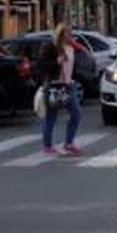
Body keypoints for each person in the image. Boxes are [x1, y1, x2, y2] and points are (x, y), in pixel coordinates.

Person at [38, 23, 84, 156]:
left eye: (71, 33)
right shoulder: (51, 47)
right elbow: (41, 65)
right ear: (61, 34)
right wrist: (56, 61)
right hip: (54, 86)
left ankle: (69, 143)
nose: (70, 36)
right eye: (67, 33)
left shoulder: (71, 47)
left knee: (76, 114)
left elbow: (77, 62)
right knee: (51, 117)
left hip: (68, 86)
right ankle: (47, 146)